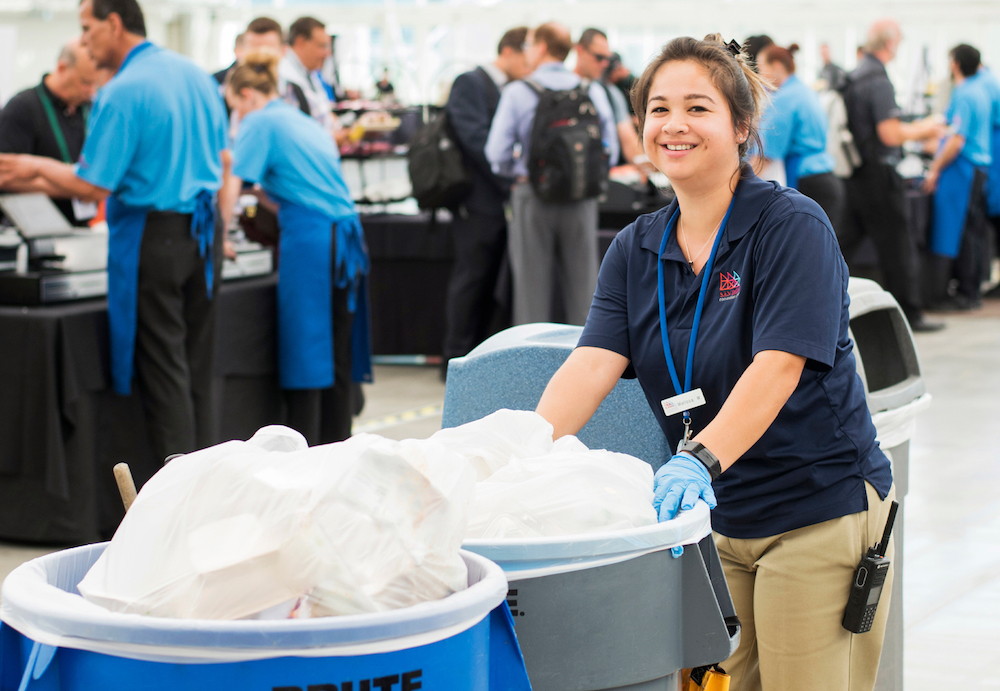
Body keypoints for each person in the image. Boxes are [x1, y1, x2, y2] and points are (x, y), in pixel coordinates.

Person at [534, 34, 896, 691]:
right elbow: (590, 363)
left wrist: (698, 458)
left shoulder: (791, 227)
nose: (673, 125)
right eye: (658, 108)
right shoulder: (636, 248)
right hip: (709, 518)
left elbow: (779, 366)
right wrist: (522, 449)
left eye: (697, 108)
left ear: (741, 126)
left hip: (815, 505)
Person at [0, 0, 229, 465]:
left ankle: (175, 502)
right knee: (195, 369)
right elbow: (223, 159)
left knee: (164, 373)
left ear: (114, 23)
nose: (84, 40)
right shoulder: (194, 76)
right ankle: (208, 486)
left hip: (156, 237)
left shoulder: (124, 90)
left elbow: (92, 182)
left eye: (87, 28)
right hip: (204, 236)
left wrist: (31, 165)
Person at [220, 52, 371, 445]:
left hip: (311, 238)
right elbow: (291, 188)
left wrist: (220, 236)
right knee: (336, 349)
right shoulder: (301, 120)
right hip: (345, 236)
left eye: (234, 107)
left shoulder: (258, 120)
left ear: (248, 95)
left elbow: (235, 181)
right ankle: (337, 444)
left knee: (306, 349)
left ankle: (304, 449)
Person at [485, 21, 619, 326]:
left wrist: (518, 173)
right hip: (581, 196)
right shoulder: (591, 91)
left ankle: (532, 371)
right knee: (584, 292)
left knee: (531, 295)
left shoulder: (519, 91)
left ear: (542, 47)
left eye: (531, 44)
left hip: (532, 196)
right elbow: (607, 149)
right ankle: (585, 368)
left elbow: (496, 154)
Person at [840, 18, 946, 332]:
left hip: (856, 174)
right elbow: (889, 133)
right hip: (879, 176)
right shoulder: (878, 80)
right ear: (890, 44)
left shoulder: (855, 75)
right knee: (898, 247)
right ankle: (910, 315)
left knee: (844, 241)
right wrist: (927, 128)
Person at [441, 26, 531, 370]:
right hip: (475, 202)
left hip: (497, 202)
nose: (531, 63)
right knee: (471, 280)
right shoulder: (470, 82)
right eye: (527, 53)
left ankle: (477, 364)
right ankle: (454, 361)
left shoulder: (510, 89)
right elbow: (475, 139)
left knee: (491, 283)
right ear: (508, 51)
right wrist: (511, 175)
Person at [923, 44, 993, 310]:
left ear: (955, 63)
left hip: (964, 168)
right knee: (973, 230)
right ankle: (971, 290)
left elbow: (957, 140)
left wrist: (935, 168)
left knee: (960, 231)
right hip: (979, 169)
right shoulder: (980, 91)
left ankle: (964, 293)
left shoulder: (964, 94)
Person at [0, 40, 98, 226]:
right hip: (34, 230)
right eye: (85, 83)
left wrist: (82, 187)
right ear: (62, 68)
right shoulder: (22, 107)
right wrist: (79, 187)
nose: (91, 92)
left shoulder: (89, 109)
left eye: (95, 84)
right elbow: (5, 175)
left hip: (81, 226)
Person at [756, 43, 844, 230]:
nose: (759, 77)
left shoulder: (785, 98)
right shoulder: (802, 90)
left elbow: (767, 154)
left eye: (761, 69)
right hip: (825, 179)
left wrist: (737, 187)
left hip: (809, 183)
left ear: (777, 67)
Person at [575, 28, 645, 170]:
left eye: (607, 58)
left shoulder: (609, 93)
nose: (605, 64)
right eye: (599, 57)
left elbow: (629, 142)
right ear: (580, 50)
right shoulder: (554, 90)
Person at [280, 16, 341, 140]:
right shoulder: (284, 79)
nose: (327, 53)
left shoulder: (310, 73)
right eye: (322, 46)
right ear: (300, 42)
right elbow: (293, 133)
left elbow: (321, 112)